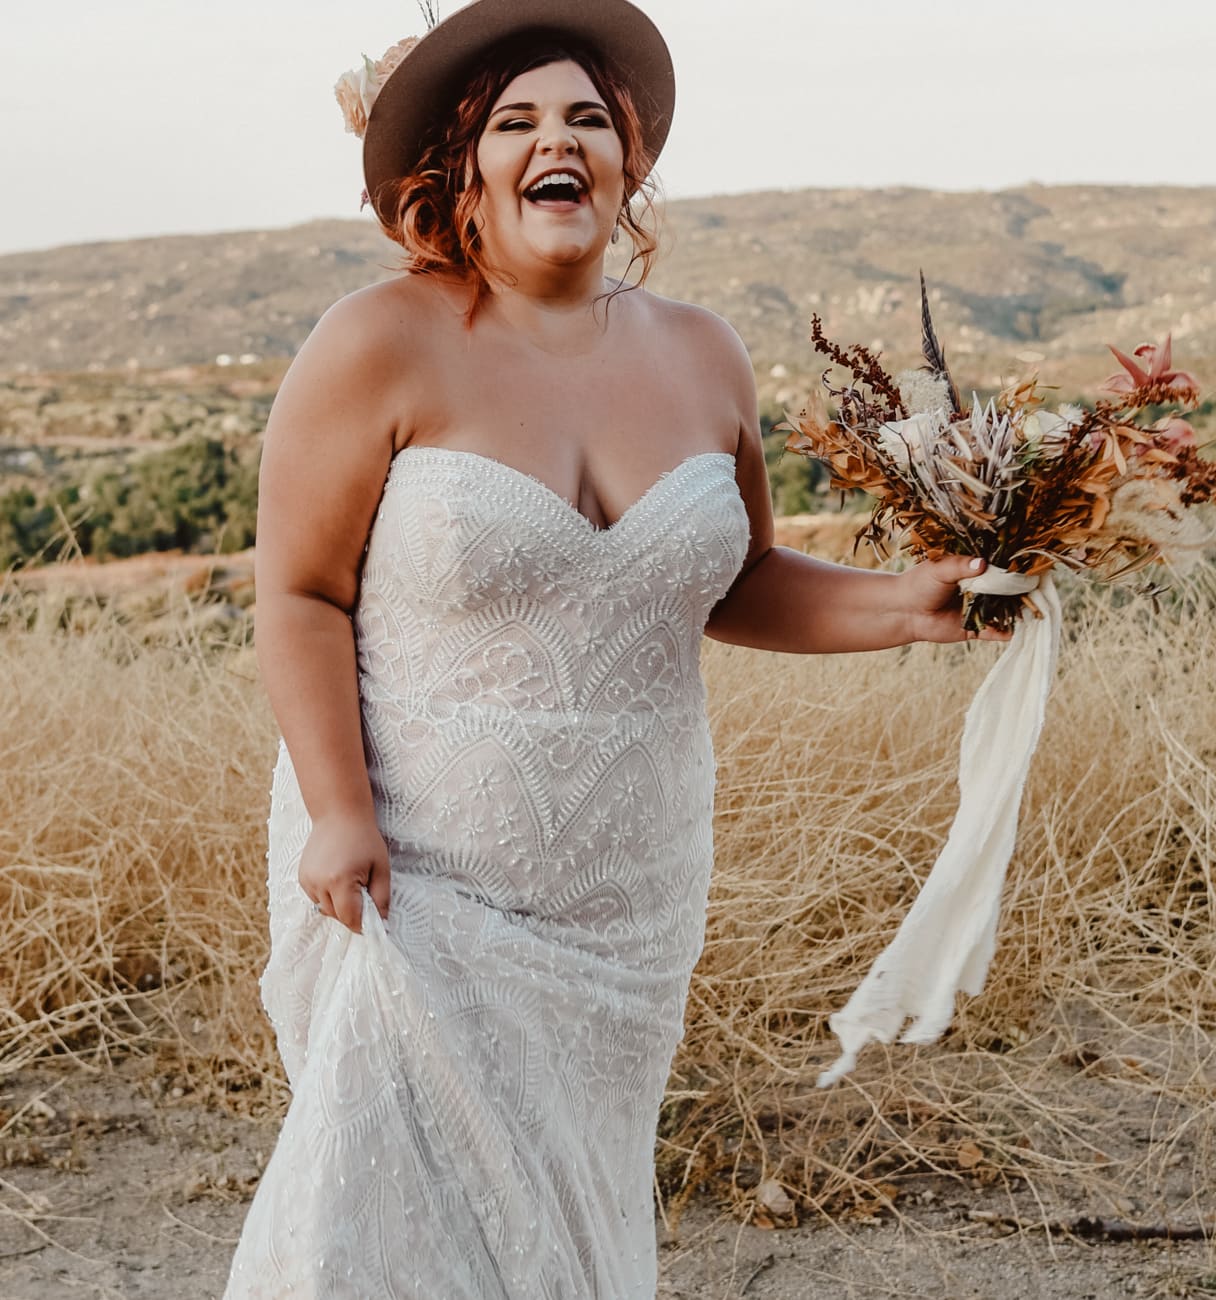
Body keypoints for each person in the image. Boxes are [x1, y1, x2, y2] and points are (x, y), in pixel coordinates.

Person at [222, 1, 1006, 1293]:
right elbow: (301, 594)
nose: (559, 141)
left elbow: (733, 580)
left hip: (626, 889)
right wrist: (336, 810)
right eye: (518, 121)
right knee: (381, 1222)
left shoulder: (701, 355)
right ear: (466, 166)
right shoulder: (376, 342)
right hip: (416, 879)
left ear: (630, 163)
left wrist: (911, 606)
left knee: (566, 1220)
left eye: (589, 117)